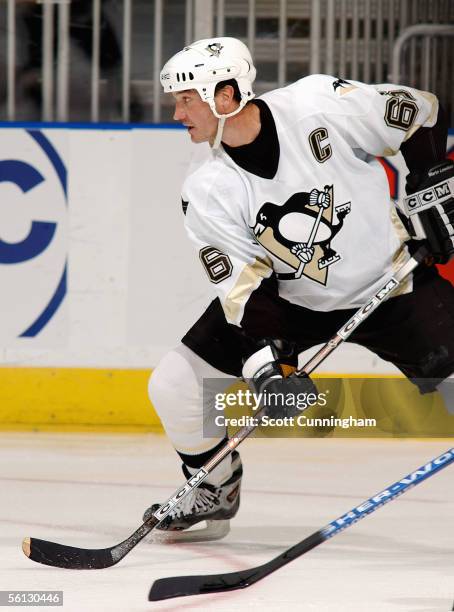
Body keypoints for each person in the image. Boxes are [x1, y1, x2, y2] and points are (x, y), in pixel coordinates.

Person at [143, 37, 454, 540]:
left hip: (393, 283)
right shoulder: (205, 187)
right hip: (289, 305)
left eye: (186, 100)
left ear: (225, 97)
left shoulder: (317, 104)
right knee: (176, 385)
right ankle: (215, 489)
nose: (177, 114)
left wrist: (432, 179)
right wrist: (269, 367)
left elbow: (419, 111)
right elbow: (245, 292)